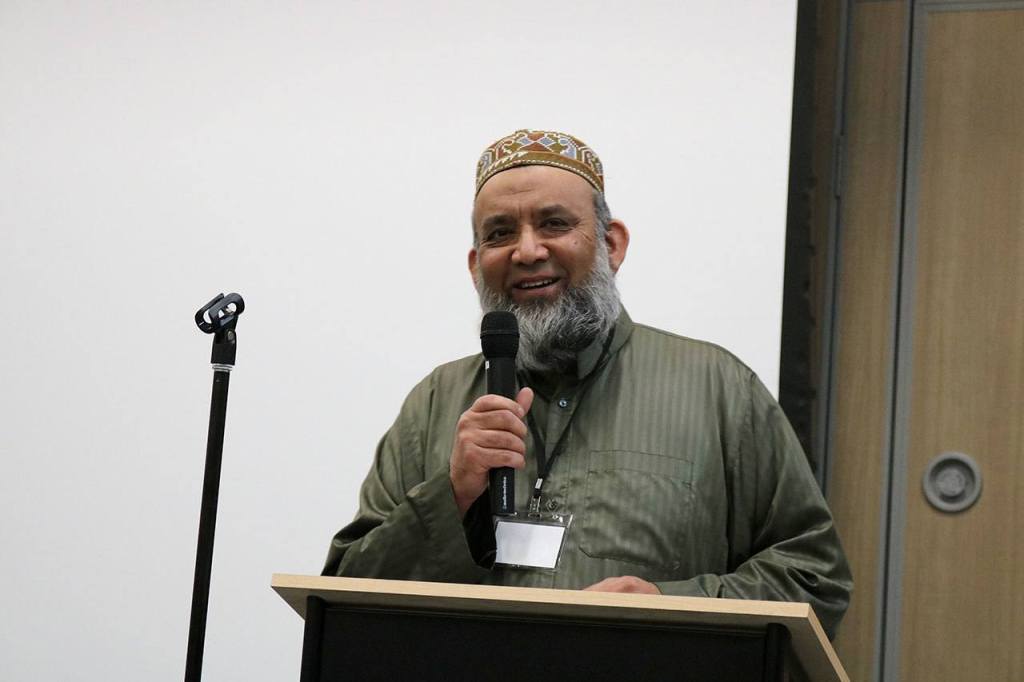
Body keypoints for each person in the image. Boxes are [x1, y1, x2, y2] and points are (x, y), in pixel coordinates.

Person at [322, 129, 852, 636]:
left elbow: (813, 575)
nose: (527, 251)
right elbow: (345, 594)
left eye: (553, 224)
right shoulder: (436, 403)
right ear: (475, 265)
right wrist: (454, 492)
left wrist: (676, 604)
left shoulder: (719, 389)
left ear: (611, 244)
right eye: (500, 233)